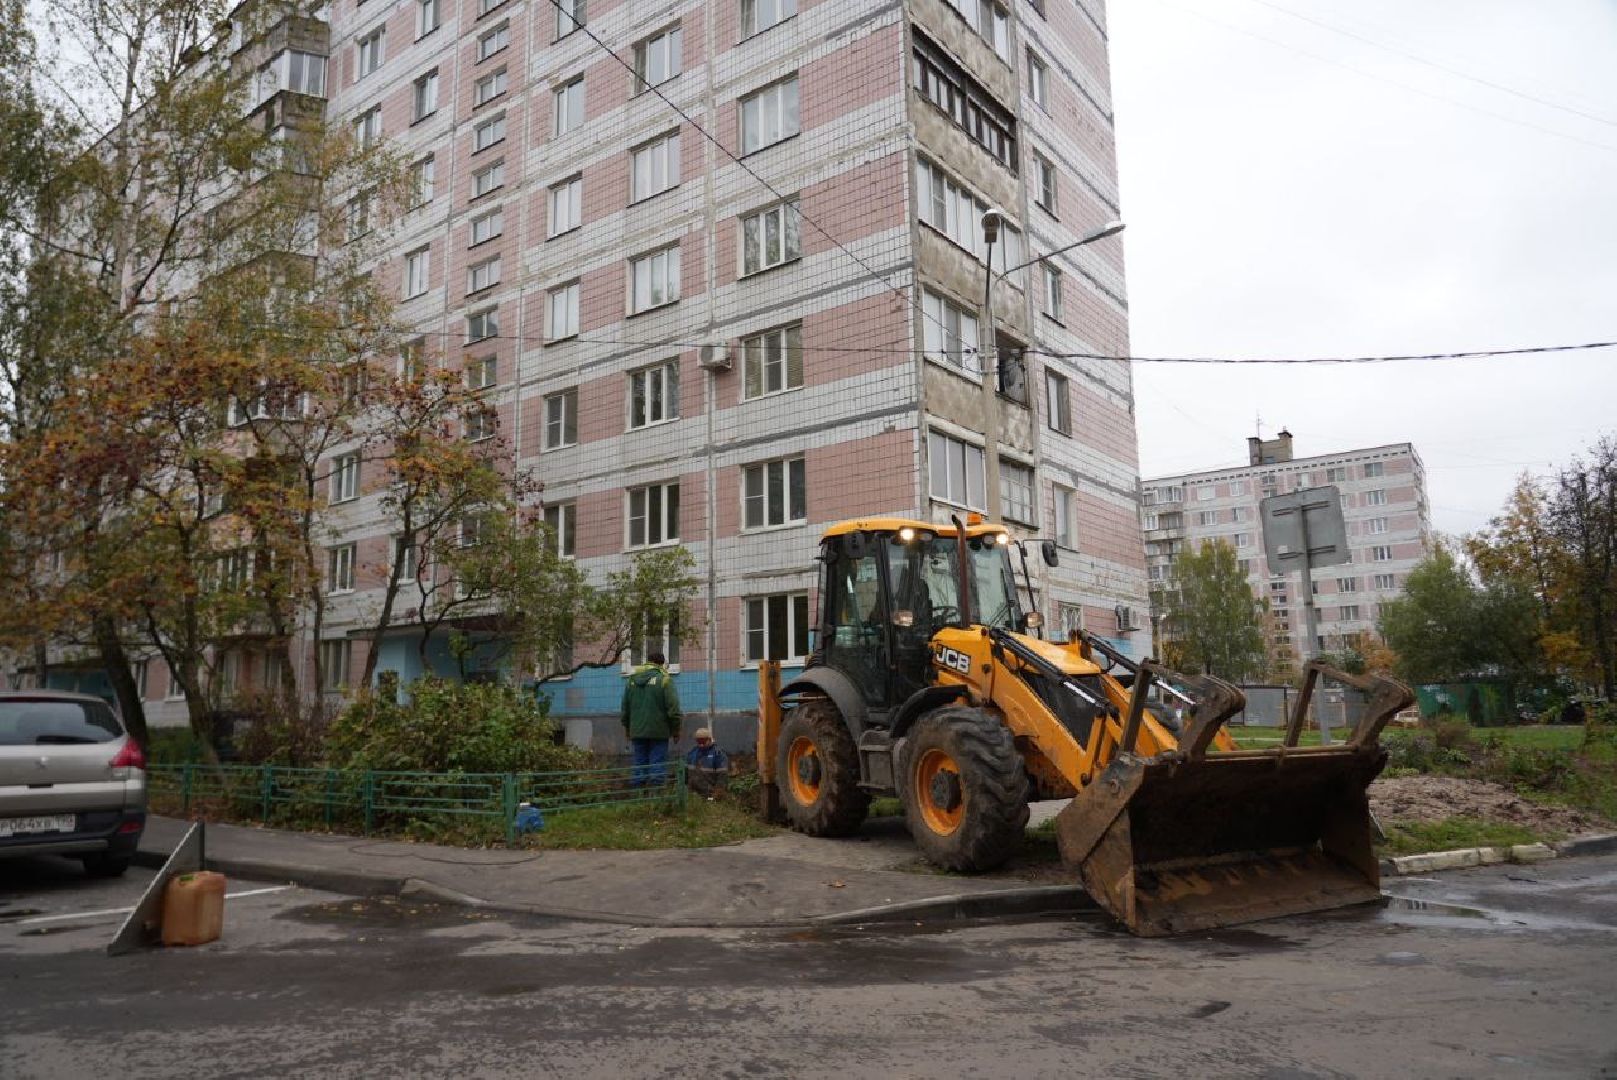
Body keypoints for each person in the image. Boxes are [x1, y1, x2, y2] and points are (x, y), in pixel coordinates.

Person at [622, 651, 681, 787]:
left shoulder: (631, 680)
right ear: (661, 664)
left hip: (636, 730)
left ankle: (639, 795)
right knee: (657, 763)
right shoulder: (664, 679)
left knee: (639, 762)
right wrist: (676, 730)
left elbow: (625, 707)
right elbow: (674, 709)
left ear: (648, 662)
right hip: (659, 731)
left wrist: (627, 728)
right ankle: (656, 796)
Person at [685, 727, 730, 798]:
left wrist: (718, 793)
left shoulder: (718, 754)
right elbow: (686, 772)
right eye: (699, 742)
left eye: (703, 742)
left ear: (709, 739)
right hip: (693, 794)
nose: (701, 745)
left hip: (710, 794)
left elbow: (722, 775)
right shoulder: (692, 753)